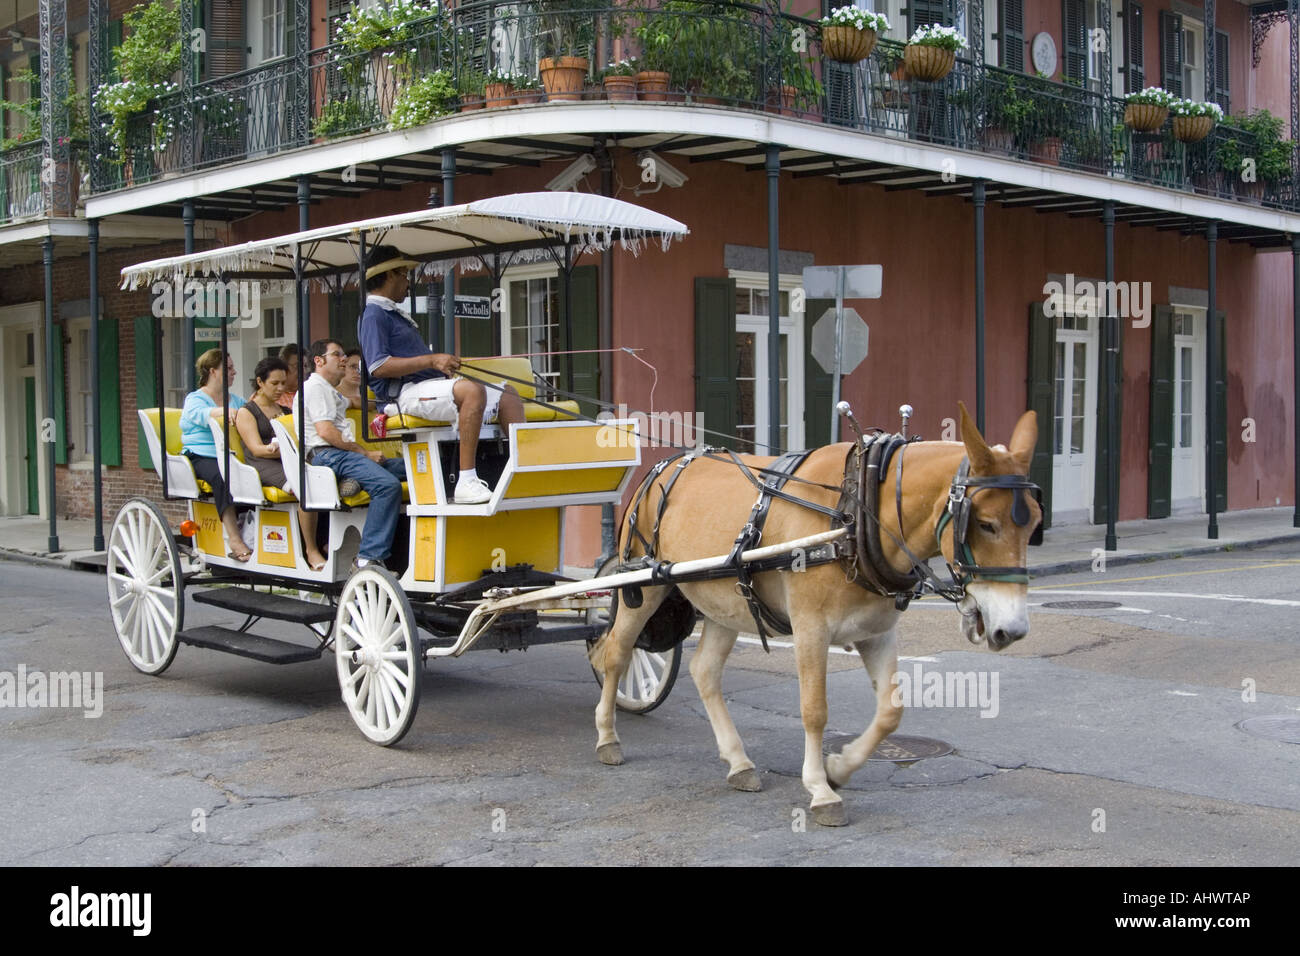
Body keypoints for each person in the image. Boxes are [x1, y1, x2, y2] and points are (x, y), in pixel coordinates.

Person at [357, 244, 524, 505]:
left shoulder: (391, 313)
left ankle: (520, 471)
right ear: (390, 275)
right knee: (472, 390)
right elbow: (378, 367)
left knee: (508, 395)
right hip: (401, 395)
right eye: (403, 274)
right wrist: (433, 359)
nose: (407, 282)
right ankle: (466, 481)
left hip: (427, 386)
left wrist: (438, 364)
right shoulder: (374, 315)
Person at [298, 338, 406, 571]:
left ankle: (354, 480)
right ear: (318, 361)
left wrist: (388, 405)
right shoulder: (315, 388)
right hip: (328, 456)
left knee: (411, 469)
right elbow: (325, 431)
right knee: (388, 486)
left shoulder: (328, 390)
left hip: (340, 456)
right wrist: (365, 453)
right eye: (336, 355)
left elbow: (354, 402)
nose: (343, 359)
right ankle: (368, 556)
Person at [235, 356, 327, 572]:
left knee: (322, 483)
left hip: (288, 460)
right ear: (260, 382)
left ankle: (323, 540)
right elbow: (256, 448)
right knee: (304, 488)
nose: (280, 388)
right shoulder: (247, 412)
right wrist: (273, 448)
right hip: (261, 463)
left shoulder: (285, 411)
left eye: (283, 383)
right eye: (274, 383)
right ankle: (311, 549)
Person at [180, 348, 251, 561]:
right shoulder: (195, 399)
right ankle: (234, 538)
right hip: (201, 455)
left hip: (229, 455)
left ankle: (253, 528)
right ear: (213, 371)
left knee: (252, 475)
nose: (234, 372)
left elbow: (248, 416)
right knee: (223, 477)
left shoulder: (236, 400)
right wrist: (221, 411)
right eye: (228, 368)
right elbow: (199, 415)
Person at [277, 343, 301, 410]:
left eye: (305, 366)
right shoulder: (272, 396)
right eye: (297, 366)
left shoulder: (311, 393)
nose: (303, 371)